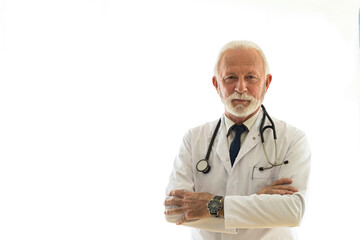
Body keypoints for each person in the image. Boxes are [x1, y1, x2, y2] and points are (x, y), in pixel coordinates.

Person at [163, 40, 311, 240]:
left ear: (266, 83)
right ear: (216, 84)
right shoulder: (193, 139)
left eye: (251, 77)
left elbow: (291, 211)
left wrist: (213, 205)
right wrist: (258, 205)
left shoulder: (292, 139)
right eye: (230, 77)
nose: (241, 88)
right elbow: (175, 211)